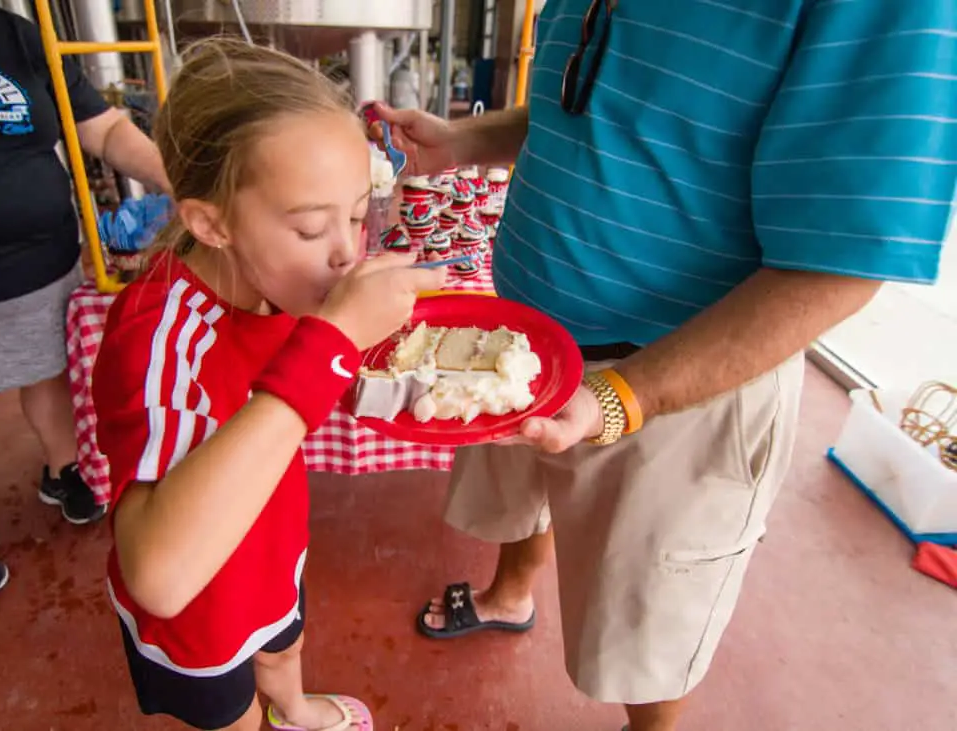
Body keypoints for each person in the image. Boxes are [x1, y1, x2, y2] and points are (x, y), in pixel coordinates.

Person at [370, 2, 955, 730]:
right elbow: (591, 109)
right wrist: (461, 140)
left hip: (678, 381)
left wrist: (622, 396)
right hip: (523, 335)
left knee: (650, 621)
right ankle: (510, 592)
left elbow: (840, 264)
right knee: (521, 492)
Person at [93, 39, 445, 731]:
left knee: (285, 643)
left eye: (354, 214)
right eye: (313, 227)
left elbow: (312, 382)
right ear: (210, 223)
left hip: (274, 538)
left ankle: (294, 706)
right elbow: (160, 576)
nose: (347, 249)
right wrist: (330, 345)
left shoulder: (281, 284)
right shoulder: (161, 335)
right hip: (202, 600)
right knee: (230, 710)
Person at [0, 0, 170, 602]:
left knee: (52, 380)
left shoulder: (10, 32)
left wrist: (182, 180)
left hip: (40, 266)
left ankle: (65, 470)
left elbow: (104, 128)